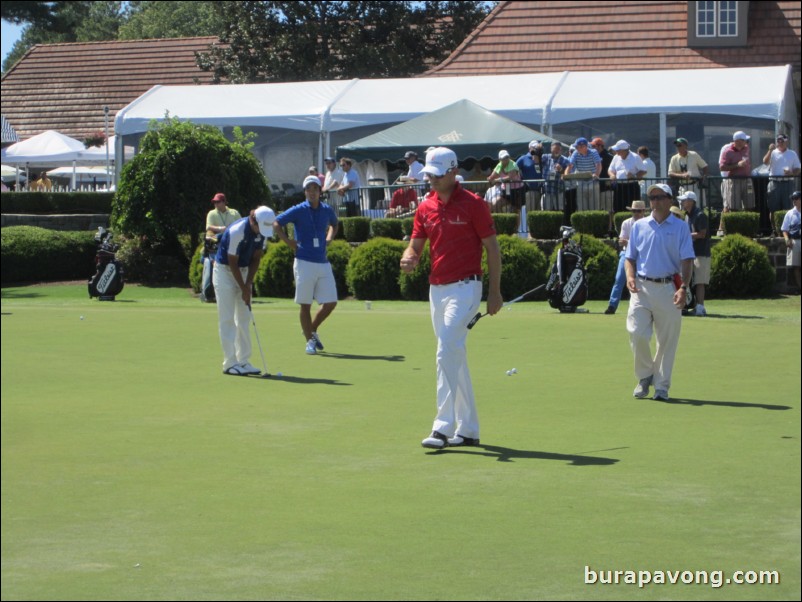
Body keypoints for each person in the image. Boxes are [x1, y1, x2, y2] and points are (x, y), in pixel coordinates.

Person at [400, 147, 502, 449]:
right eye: (428, 174)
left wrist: (494, 292)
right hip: (437, 289)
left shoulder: (474, 205)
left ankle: (442, 427)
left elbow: (492, 249)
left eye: (435, 174)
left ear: (453, 172)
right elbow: (415, 247)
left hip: (466, 288)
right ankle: (469, 430)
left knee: (445, 351)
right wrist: (409, 258)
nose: (429, 179)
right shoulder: (425, 206)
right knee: (453, 356)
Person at [625, 183, 695, 401]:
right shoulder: (639, 226)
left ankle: (662, 386)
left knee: (667, 340)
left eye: (659, 197)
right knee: (637, 333)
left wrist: (683, 287)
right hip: (642, 287)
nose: (654, 201)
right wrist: (629, 276)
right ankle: (645, 376)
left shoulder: (680, 227)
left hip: (669, 287)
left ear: (669, 200)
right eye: (651, 197)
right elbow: (630, 257)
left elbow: (687, 260)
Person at [273, 176, 340, 355]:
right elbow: (277, 223)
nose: (312, 192)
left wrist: (329, 238)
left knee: (331, 303)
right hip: (303, 261)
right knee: (305, 304)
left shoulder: (326, 209)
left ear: (320, 191)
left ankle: (311, 330)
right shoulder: (299, 209)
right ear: (305, 192)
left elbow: (335, 224)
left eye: (315, 189)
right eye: (308, 189)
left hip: (322, 262)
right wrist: (288, 242)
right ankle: (309, 340)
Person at [213, 205, 276, 376]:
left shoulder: (261, 233)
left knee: (244, 318)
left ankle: (243, 360)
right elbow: (232, 261)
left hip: (244, 270)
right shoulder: (237, 231)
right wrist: (243, 288)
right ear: (253, 220)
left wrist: (248, 284)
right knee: (227, 318)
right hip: (225, 271)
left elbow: (256, 258)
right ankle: (229, 363)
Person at [604, 199, 646, 315]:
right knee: (619, 279)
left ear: (643, 211)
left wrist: (630, 242)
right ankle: (612, 306)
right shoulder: (626, 223)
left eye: (638, 211)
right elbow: (622, 242)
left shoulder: (648, 224)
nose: (636, 213)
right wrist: (631, 243)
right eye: (634, 211)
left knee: (640, 281)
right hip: (626, 254)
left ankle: (640, 307)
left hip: (641, 256)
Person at [679, 191, 710, 316]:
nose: (682, 202)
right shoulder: (687, 216)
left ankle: (700, 307)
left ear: (691, 201)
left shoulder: (700, 215)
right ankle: (690, 305)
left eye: (684, 200)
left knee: (700, 281)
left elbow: (702, 234)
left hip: (701, 252)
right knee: (689, 280)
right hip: (691, 252)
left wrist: (685, 236)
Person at [764, 135, 801, 234]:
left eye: (782, 141)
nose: (780, 143)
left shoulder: (792, 154)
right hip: (774, 183)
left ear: (786, 142)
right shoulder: (773, 153)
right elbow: (765, 162)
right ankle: (774, 230)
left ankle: (788, 230)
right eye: (778, 141)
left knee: (788, 207)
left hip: (788, 182)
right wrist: (769, 150)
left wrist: (791, 173)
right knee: (773, 209)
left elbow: (798, 169)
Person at [718, 131, 752, 234]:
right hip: (732, 181)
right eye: (744, 140)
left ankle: (747, 230)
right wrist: (737, 165)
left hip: (746, 180)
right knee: (732, 206)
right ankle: (729, 230)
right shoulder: (727, 151)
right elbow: (722, 167)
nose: (746, 142)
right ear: (737, 141)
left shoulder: (746, 148)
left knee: (749, 204)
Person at [608, 139, 646, 226]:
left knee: (633, 209)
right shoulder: (615, 157)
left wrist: (635, 176)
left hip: (632, 186)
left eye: (618, 150)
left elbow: (643, 170)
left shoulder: (635, 157)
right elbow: (610, 169)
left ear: (624, 150)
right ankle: (618, 228)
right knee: (617, 208)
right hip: (619, 186)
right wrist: (612, 175)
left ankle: (634, 226)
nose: (616, 151)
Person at [488, 149, 525, 232]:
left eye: (507, 157)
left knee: (516, 210)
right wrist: (490, 178)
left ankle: (515, 230)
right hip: (506, 191)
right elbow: (491, 177)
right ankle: (502, 224)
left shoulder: (513, 164)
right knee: (495, 205)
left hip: (517, 190)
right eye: (504, 158)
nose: (506, 159)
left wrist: (497, 180)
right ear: (500, 160)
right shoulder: (499, 165)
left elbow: (510, 177)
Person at [565, 137, 601, 211]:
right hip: (580, 183)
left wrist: (596, 174)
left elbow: (598, 164)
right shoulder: (575, 153)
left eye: (577, 146)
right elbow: (570, 165)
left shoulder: (593, 152)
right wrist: (566, 175)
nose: (576, 148)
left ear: (584, 146)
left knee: (594, 207)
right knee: (581, 208)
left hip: (593, 182)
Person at [781, 191, 801, 294]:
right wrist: (786, 239)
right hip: (795, 240)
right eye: (793, 198)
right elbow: (784, 229)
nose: (794, 200)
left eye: (796, 198)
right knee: (796, 266)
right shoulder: (790, 213)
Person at [541, 141, 569, 211]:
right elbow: (536, 161)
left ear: (561, 150)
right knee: (547, 210)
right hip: (547, 190)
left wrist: (561, 170)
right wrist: (538, 150)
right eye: (555, 148)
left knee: (560, 210)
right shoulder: (545, 157)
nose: (556, 151)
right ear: (551, 149)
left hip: (559, 189)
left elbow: (567, 174)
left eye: (558, 149)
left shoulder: (565, 160)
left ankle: (561, 222)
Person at [516, 141, 543, 212]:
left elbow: (539, 172)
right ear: (529, 148)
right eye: (533, 148)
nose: (535, 149)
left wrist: (536, 162)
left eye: (536, 148)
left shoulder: (542, 158)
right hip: (529, 191)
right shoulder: (523, 158)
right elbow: (514, 168)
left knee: (539, 213)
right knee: (530, 212)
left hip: (541, 190)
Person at [592, 137, 614, 210]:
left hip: (606, 188)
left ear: (600, 146)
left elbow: (612, 170)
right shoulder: (593, 156)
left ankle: (610, 222)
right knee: (597, 209)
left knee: (608, 209)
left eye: (593, 146)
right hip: (595, 187)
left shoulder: (609, 157)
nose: (592, 148)